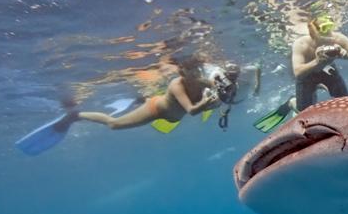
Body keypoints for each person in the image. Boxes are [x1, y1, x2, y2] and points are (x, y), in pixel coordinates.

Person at [15, 54, 225, 155]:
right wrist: (207, 101)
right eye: (192, 72)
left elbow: (215, 87)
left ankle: (140, 98)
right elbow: (192, 111)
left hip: (170, 115)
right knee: (114, 124)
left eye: (198, 70)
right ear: (182, 73)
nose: (196, 75)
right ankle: (76, 116)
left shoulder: (198, 79)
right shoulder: (177, 84)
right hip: (155, 110)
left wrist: (219, 92)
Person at [253, 15, 348, 133]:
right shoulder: (301, 44)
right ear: (312, 32)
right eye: (323, 30)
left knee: (346, 103)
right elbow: (298, 72)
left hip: (328, 69)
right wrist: (317, 61)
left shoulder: (337, 38)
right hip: (307, 74)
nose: (328, 36)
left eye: (330, 29)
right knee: (306, 114)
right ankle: (292, 103)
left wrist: (346, 56)